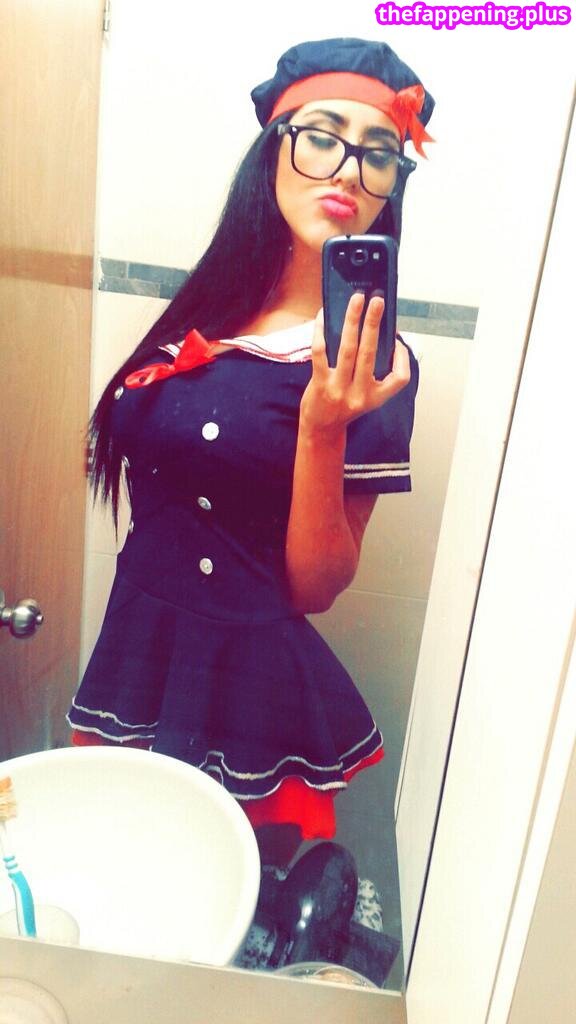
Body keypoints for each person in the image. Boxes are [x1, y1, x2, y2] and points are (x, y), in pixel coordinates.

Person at [68, 38, 434, 871]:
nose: (349, 169)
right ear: (274, 147)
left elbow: (316, 588)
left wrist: (322, 428)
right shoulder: (208, 309)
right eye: (323, 136)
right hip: (136, 654)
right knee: (114, 876)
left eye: (380, 153)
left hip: (249, 698)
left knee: (225, 905)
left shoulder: (373, 366)